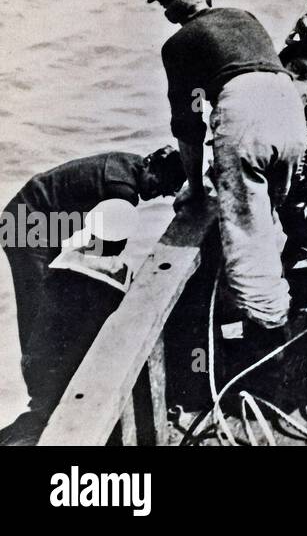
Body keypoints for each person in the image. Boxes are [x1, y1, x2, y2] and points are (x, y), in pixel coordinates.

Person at [149, 0, 307, 351]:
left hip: (244, 114)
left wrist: (196, 188)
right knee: (268, 212)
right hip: (289, 106)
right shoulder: (243, 17)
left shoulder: (179, 44)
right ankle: (278, 302)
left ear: (172, 15)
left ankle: (269, 341)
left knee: (245, 234)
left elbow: (188, 125)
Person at [0, 149, 185, 444]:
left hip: (29, 217)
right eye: (158, 185)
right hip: (26, 226)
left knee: (46, 306)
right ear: (150, 166)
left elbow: (100, 242)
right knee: (36, 309)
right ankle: (41, 395)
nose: (155, 194)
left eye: (163, 193)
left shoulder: (128, 165)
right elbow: (107, 247)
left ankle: (44, 388)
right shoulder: (122, 190)